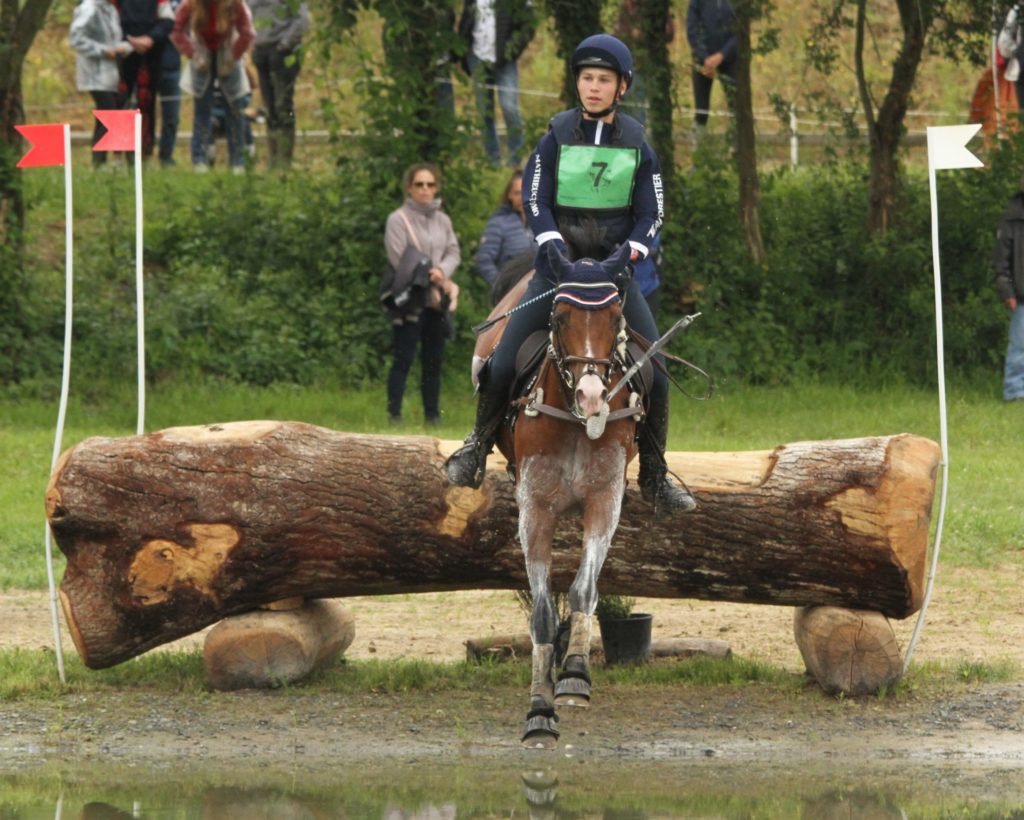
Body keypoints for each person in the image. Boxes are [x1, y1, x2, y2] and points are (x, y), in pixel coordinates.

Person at [445, 33, 696, 515]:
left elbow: (653, 212)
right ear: (577, 83)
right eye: (587, 78)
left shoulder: (639, 145)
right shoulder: (554, 137)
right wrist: (552, 246)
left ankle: (656, 474)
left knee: (657, 375)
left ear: (621, 88)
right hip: (556, 273)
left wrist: (629, 254)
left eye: (604, 80)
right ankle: (476, 445)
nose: (594, 87)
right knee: (500, 363)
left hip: (613, 279)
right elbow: (535, 200)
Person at [384, 163, 461, 425]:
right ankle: (394, 414)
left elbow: (453, 251)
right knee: (403, 358)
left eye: (430, 184)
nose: (425, 190)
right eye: (419, 184)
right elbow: (398, 258)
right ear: (409, 188)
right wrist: (430, 275)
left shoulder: (443, 219)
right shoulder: (398, 219)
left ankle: (432, 415)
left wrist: (442, 270)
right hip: (411, 299)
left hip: (436, 301)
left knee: (433, 361)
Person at [171, 0, 255, 174]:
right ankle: (199, 160)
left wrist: (234, 55)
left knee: (234, 109)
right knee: (202, 110)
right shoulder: (190, 5)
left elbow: (247, 33)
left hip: (228, 54)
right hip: (202, 56)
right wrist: (191, 53)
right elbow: (175, 30)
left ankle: (238, 162)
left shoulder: (235, 4)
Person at [457, 0, 535, 166]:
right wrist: (463, 53)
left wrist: (511, 50)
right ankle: (492, 159)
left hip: (505, 60)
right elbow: (465, 22)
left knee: (509, 107)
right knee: (484, 111)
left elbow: (528, 26)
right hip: (477, 58)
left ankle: (515, 159)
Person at [69, 0, 132, 167]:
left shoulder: (110, 9)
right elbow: (76, 38)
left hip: (110, 74)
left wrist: (126, 47)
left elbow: (113, 39)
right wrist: (103, 51)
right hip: (93, 73)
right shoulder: (89, 8)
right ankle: (99, 161)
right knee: (108, 116)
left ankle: (99, 161)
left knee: (105, 117)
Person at [249, 0, 309, 170]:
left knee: (284, 105)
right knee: (269, 108)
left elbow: (302, 19)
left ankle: (285, 160)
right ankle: (273, 159)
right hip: (261, 52)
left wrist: (284, 45)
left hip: (283, 52)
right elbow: (247, 15)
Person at [116, 0, 175, 159]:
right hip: (123, 52)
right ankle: (117, 153)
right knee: (120, 102)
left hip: (151, 56)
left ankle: (145, 152)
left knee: (147, 103)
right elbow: (110, 17)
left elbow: (168, 21)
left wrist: (150, 38)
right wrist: (129, 40)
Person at [612, 0, 675, 126]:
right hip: (628, 65)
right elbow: (618, 35)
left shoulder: (656, 9)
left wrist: (642, 34)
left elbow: (669, 33)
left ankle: (639, 139)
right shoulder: (626, 9)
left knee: (641, 108)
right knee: (628, 106)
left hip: (649, 64)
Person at [992, 176, 1024, 402]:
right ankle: (1014, 392)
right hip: (1021, 295)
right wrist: (1007, 290)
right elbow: (1001, 260)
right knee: (1019, 348)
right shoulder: (1012, 219)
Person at [475, 169, 534, 287]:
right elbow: (483, 259)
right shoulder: (498, 223)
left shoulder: (542, 223)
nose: (522, 197)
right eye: (517, 193)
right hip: (511, 292)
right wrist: (500, 286)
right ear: (510, 195)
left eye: (526, 191)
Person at [686, 0, 736, 134]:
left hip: (729, 58)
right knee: (701, 109)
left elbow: (739, 32)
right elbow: (692, 29)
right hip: (703, 60)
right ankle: (699, 147)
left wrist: (721, 55)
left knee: (736, 106)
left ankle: (735, 145)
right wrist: (705, 57)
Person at [157, 0, 183, 166]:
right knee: (142, 114)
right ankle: (140, 157)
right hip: (147, 64)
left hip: (172, 66)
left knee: (172, 117)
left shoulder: (182, 4)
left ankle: (166, 156)